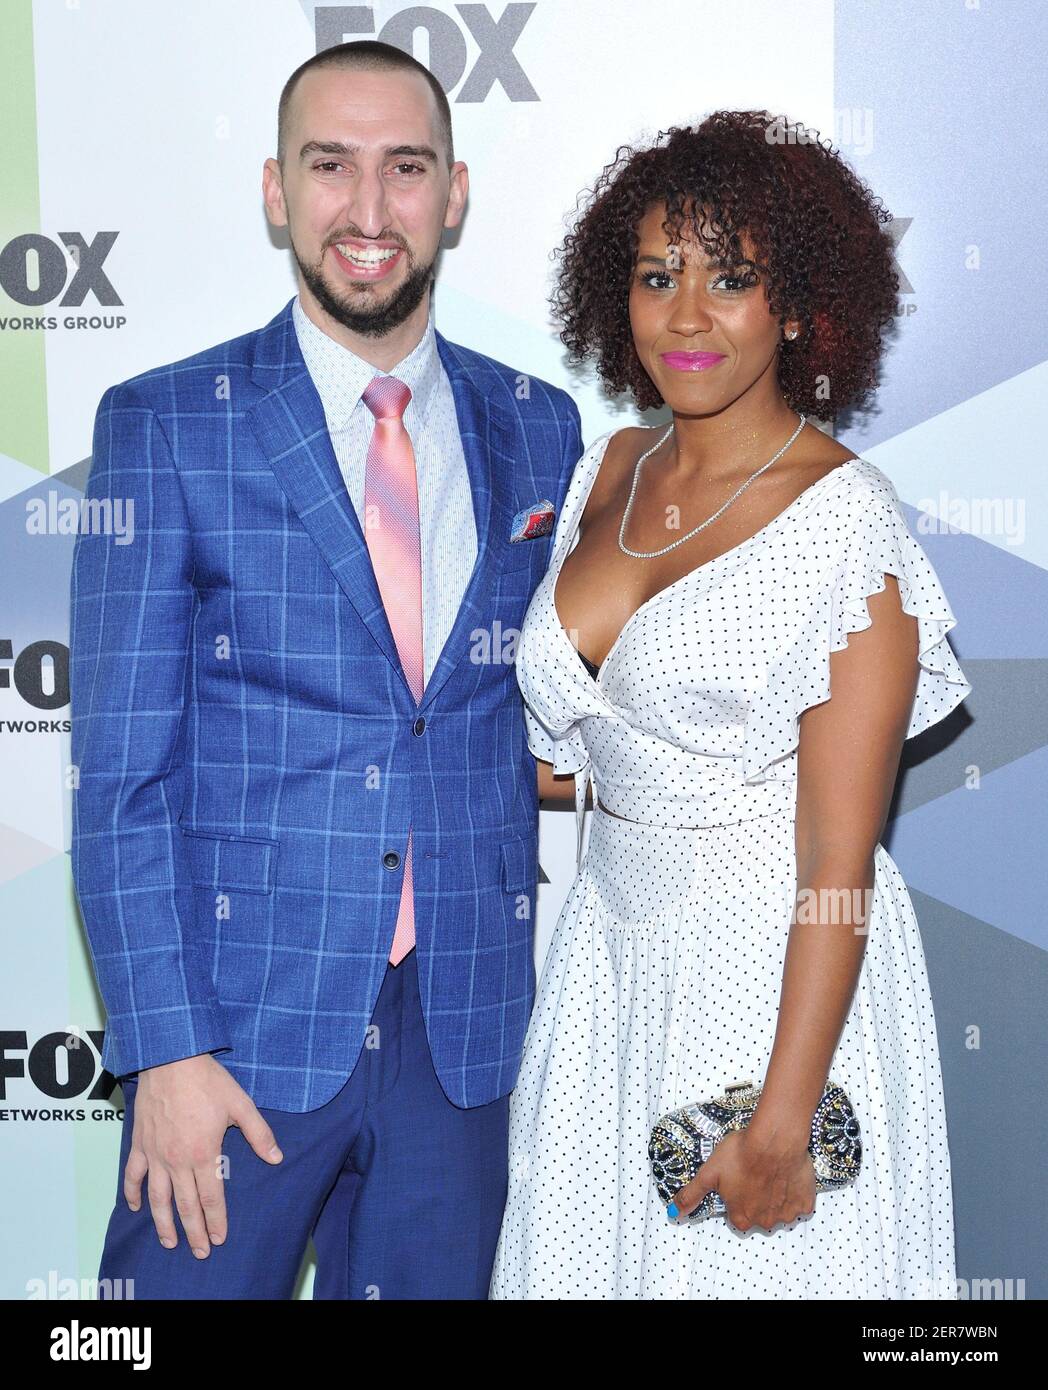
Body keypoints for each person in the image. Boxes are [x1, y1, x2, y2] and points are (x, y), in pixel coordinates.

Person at [69, 40, 581, 1301]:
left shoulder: (539, 424)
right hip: (238, 1036)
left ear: (452, 195)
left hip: (462, 1035)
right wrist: (165, 1053)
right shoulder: (168, 423)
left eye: (405, 168)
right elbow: (120, 779)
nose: (367, 209)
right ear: (274, 191)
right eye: (330, 166)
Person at [490, 111, 972, 1300]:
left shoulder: (847, 521)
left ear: (798, 303)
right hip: (603, 963)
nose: (687, 314)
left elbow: (836, 857)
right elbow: (586, 749)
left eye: (732, 278)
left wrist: (784, 1117)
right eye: (658, 276)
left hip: (768, 983)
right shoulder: (610, 466)